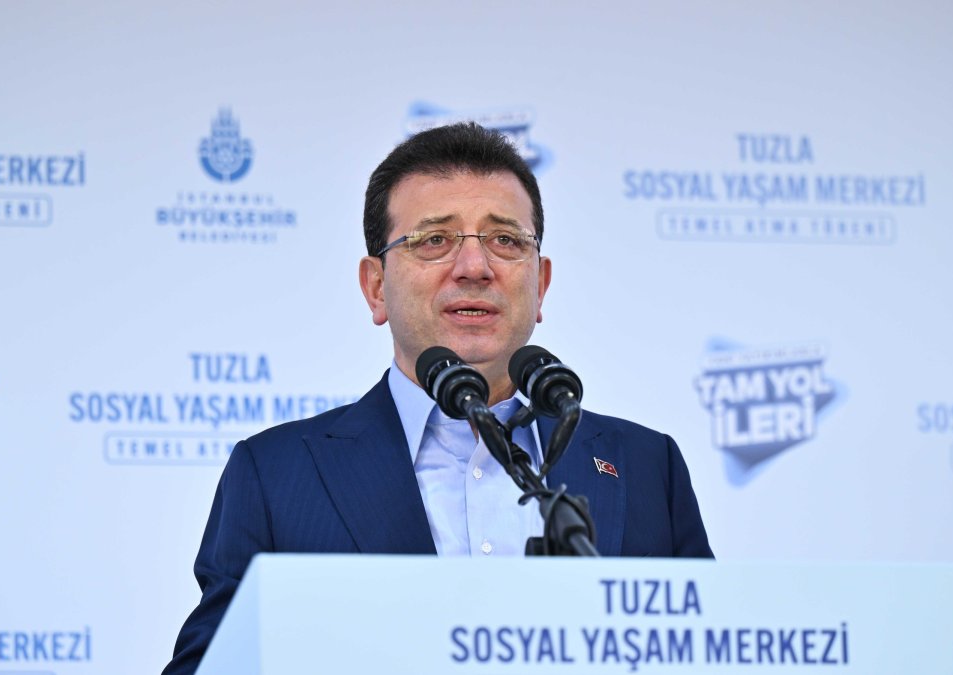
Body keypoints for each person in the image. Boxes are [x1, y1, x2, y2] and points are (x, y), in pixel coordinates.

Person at [162, 123, 713, 674]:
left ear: (540, 284)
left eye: (505, 240)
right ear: (376, 286)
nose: (474, 267)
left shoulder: (646, 466)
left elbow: (710, 656)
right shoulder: (277, 475)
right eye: (434, 240)